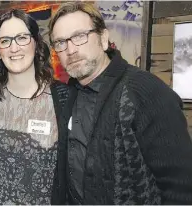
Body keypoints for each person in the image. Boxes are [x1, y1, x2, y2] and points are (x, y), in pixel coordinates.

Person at [48, 2, 192, 204]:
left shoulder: (145, 91)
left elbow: (181, 188)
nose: (70, 49)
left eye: (80, 36)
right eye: (61, 42)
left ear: (104, 39)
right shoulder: (69, 94)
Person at [0, 9, 68, 205]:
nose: (14, 48)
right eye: (5, 41)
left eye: (22, 38)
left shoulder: (64, 99)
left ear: (36, 43)